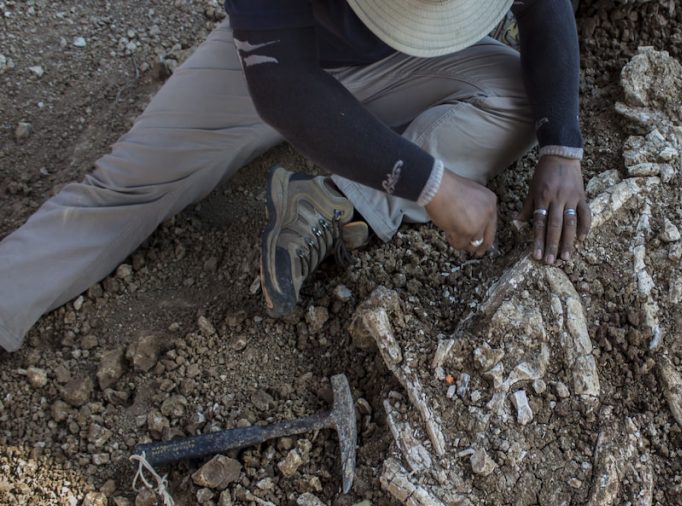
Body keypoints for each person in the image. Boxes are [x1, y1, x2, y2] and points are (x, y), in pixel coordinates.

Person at [0, 0, 589, 352]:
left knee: (517, 94)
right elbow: (285, 90)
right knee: (122, 190)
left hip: (408, 62)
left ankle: (334, 204)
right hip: (275, 60)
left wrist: (562, 149)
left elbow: (544, 8)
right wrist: (432, 184)